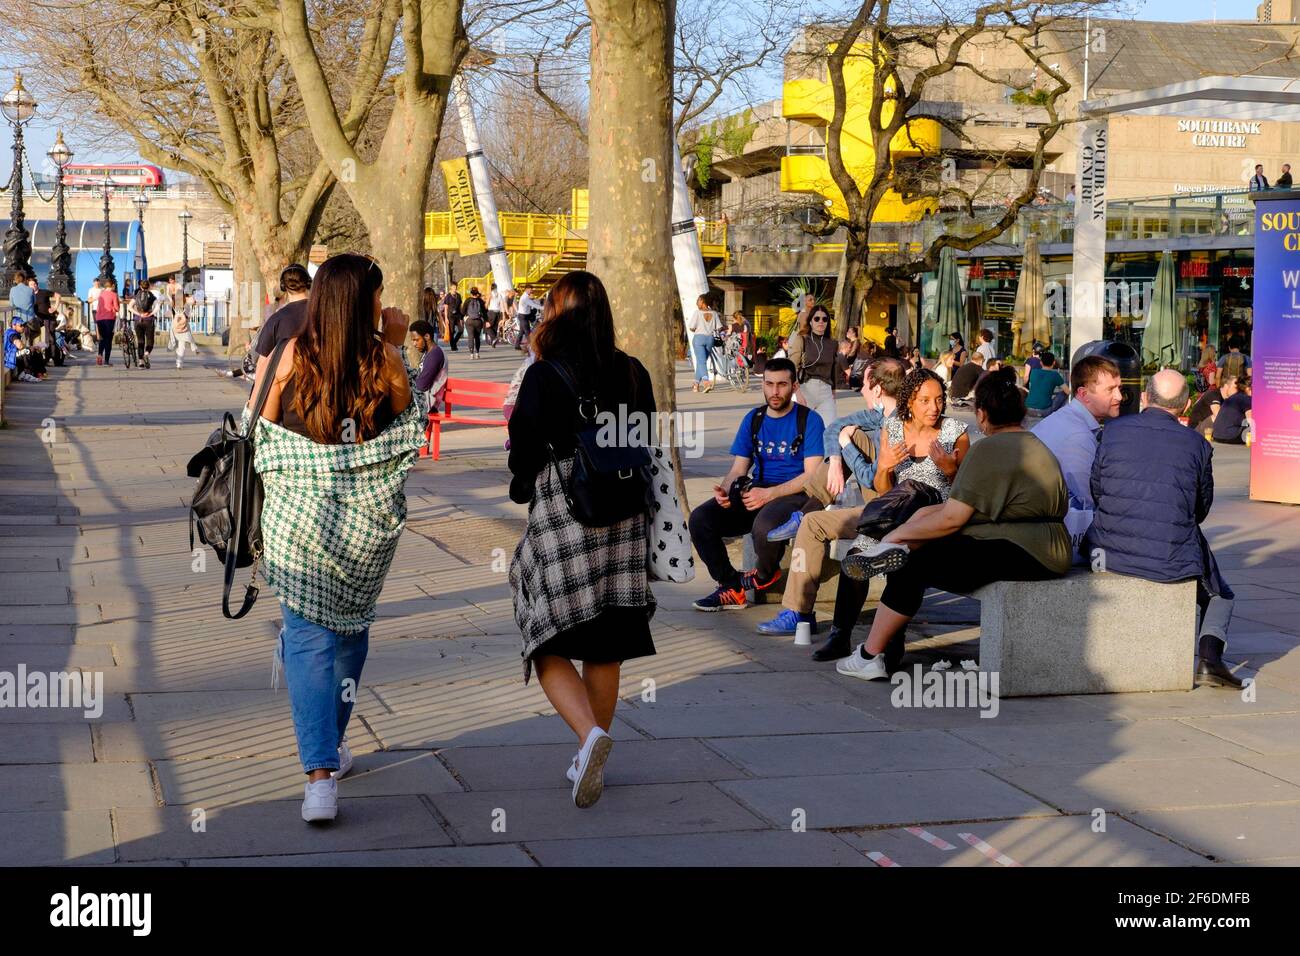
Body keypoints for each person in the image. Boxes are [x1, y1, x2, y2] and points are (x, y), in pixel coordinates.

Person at [249, 253, 426, 823]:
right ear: (364, 302)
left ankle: (319, 778)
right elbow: (408, 431)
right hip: (365, 530)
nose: (385, 305)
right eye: (379, 295)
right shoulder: (386, 362)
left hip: (297, 523)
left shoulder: (289, 354)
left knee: (306, 638)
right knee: (349, 633)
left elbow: (260, 433)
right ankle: (332, 745)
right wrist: (400, 345)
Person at [506, 271, 657, 809]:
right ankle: (587, 752)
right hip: (625, 516)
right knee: (607, 637)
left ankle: (589, 737)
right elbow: (645, 438)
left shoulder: (544, 375)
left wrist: (522, 481)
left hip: (567, 511)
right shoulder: (634, 372)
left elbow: (522, 448)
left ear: (558, 314)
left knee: (542, 632)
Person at [835, 369, 1071, 679]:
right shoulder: (1036, 445)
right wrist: (911, 528)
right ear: (1022, 412)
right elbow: (956, 508)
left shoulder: (987, 449)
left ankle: (870, 655)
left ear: (982, 414)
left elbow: (952, 518)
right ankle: (891, 557)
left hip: (1025, 551)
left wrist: (894, 537)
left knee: (912, 565)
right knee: (917, 542)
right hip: (1045, 546)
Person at [1087, 369, 1242, 688]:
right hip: (1168, 558)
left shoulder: (1111, 431)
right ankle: (1210, 659)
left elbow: (1097, 491)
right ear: (1185, 407)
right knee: (1220, 594)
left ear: (1144, 398)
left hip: (1104, 551)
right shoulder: (1197, 444)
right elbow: (1200, 510)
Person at [755, 358, 906, 642]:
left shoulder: (897, 426)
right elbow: (833, 428)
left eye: (863, 384)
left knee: (812, 523)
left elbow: (874, 479)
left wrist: (847, 446)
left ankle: (798, 613)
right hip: (879, 501)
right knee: (849, 436)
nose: (860, 389)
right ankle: (803, 514)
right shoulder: (880, 415)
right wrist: (836, 458)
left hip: (890, 512)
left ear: (876, 387)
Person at [689, 358, 825, 610]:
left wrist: (770, 494)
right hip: (757, 489)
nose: (775, 391)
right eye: (769, 384)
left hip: (795, 492)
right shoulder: (754, 419)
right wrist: (725, 490)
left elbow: (812, 475)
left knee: (763, 528)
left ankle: (764, 575)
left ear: (794, 386)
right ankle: (731, 585)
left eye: (782, 384)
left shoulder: (809, 420)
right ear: (762, 384)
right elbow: (738, 469)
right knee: (700, 519)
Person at [1030, 355, 1123, 562]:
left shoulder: (1068, 419)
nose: (1119, 396)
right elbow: (1092, 497)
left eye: (1119, 388)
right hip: (1054, 542)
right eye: (1110, 389)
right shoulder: (1078, 435)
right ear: (1083, 394)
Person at [787, 303, 837, 424]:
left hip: (826, 392)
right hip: (805, 389)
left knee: (829, 429)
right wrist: (797, 393)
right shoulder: (802, 339)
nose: (821, 322)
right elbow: (791, 367)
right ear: (810, 322)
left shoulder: (832, 343)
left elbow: (833, 367)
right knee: (802, 429)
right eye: (817, 318)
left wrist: (833, 390)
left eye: (825, 319)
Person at [254, 265, 312, 357]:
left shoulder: (275, 320)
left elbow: (260, 359)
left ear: (283, 286)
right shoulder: (324, 315)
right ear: (309, 283)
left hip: (283, 371)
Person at [406, 319, 448, 414]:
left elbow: (421, 385)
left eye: (416, 340)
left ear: (427, 336)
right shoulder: (430, 352)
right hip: (424, 398)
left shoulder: (435, 355)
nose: (414, 344)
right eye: (413, 341)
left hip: (427, 403)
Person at [686, 293, 722, 392]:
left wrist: (698, 329)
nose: (696, 302)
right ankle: (696, 384)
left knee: (701, 361)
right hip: (710, 339)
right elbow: (719, 328)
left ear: (702, 301)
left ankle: (706, 382)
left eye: (698, 300)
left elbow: (692, 327)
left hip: (699, 339)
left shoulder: (697, 313)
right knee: (701, 362)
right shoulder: (714, 313)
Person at [1211, 375, 1252, 444]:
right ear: (1248, 389)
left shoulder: (1231, 398)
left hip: (1216, 435)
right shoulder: (1247, 399)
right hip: (1231, 435)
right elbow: (1251, 420)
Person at [1025, 350, 1066, 416]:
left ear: (1041, 363)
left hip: (1028, 409)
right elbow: (1067, 391)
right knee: (1063, 394)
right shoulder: (1055, 375)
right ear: (1054, 363)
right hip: (1044, 411)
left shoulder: (1034, 372)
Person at [129, 279, 158, 369]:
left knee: (140, 341)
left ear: (140, 286)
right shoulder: (152, 296)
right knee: (150, 341)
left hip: (138, 320)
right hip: (149, 320)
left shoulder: (136, 296)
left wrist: (139, 314)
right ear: (148, 286)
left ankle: (141, 363)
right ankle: (146, 354)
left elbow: (129, 307)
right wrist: (151, 313)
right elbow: (157, 307)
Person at [94, 278, 120, 366]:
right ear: (112, 285)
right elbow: (117, 308)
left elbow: (98, 308)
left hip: (99, 319)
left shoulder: (101, 295)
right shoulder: (114, 294)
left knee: (102, 339)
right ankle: (106, 361)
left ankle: (99, 355)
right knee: (108, 340)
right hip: (109, 319)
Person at [172, 292, 199, 369]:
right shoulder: (186, 304)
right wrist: (189, 296)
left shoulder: (174, 304)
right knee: (182, 345)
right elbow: (194, 302)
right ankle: (179, 362)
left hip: (175, 327)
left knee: (178, 345)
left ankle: (178, 361)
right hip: (184, 326)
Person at [462, 287, 486, 359]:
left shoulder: (467, 300)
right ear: (477, 293)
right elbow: (484, 312)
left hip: (469, 321)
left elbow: (463, 311)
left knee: (471, 337)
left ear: (471, 293)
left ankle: (471, 354)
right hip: (478, 321)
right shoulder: (480, 301)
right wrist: (485, 320)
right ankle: (477, 353)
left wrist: (463, 319)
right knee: (477, 337)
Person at [441, 285, 463, 350]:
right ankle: (453, 346)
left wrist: (461, 317)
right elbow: (446, 308)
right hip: (450, 316)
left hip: (458, 316)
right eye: (453, 288)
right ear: (451, 289)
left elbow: (460, 307)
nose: (455, 290)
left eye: (456, 288)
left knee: (461, 330)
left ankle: (454, 343)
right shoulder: (448, 296)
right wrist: (446, 318)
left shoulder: (458, 296)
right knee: (452, 331)